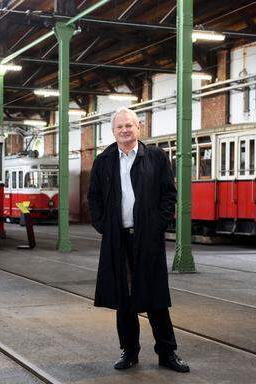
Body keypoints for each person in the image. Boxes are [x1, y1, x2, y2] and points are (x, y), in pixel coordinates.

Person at [87, 107, 189, 373]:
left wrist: (157, 225)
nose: (124, 130)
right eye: (120, 126)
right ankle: (129, 352)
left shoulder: (155, 157)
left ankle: (168, 353)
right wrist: (104, 226)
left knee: (156, 298)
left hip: (147, 239)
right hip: (117, 240)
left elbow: (169, 194)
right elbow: (94, 197)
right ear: (113, 131)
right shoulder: (104, 160)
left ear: (138, 127)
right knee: (124, 300)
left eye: (129, 126)